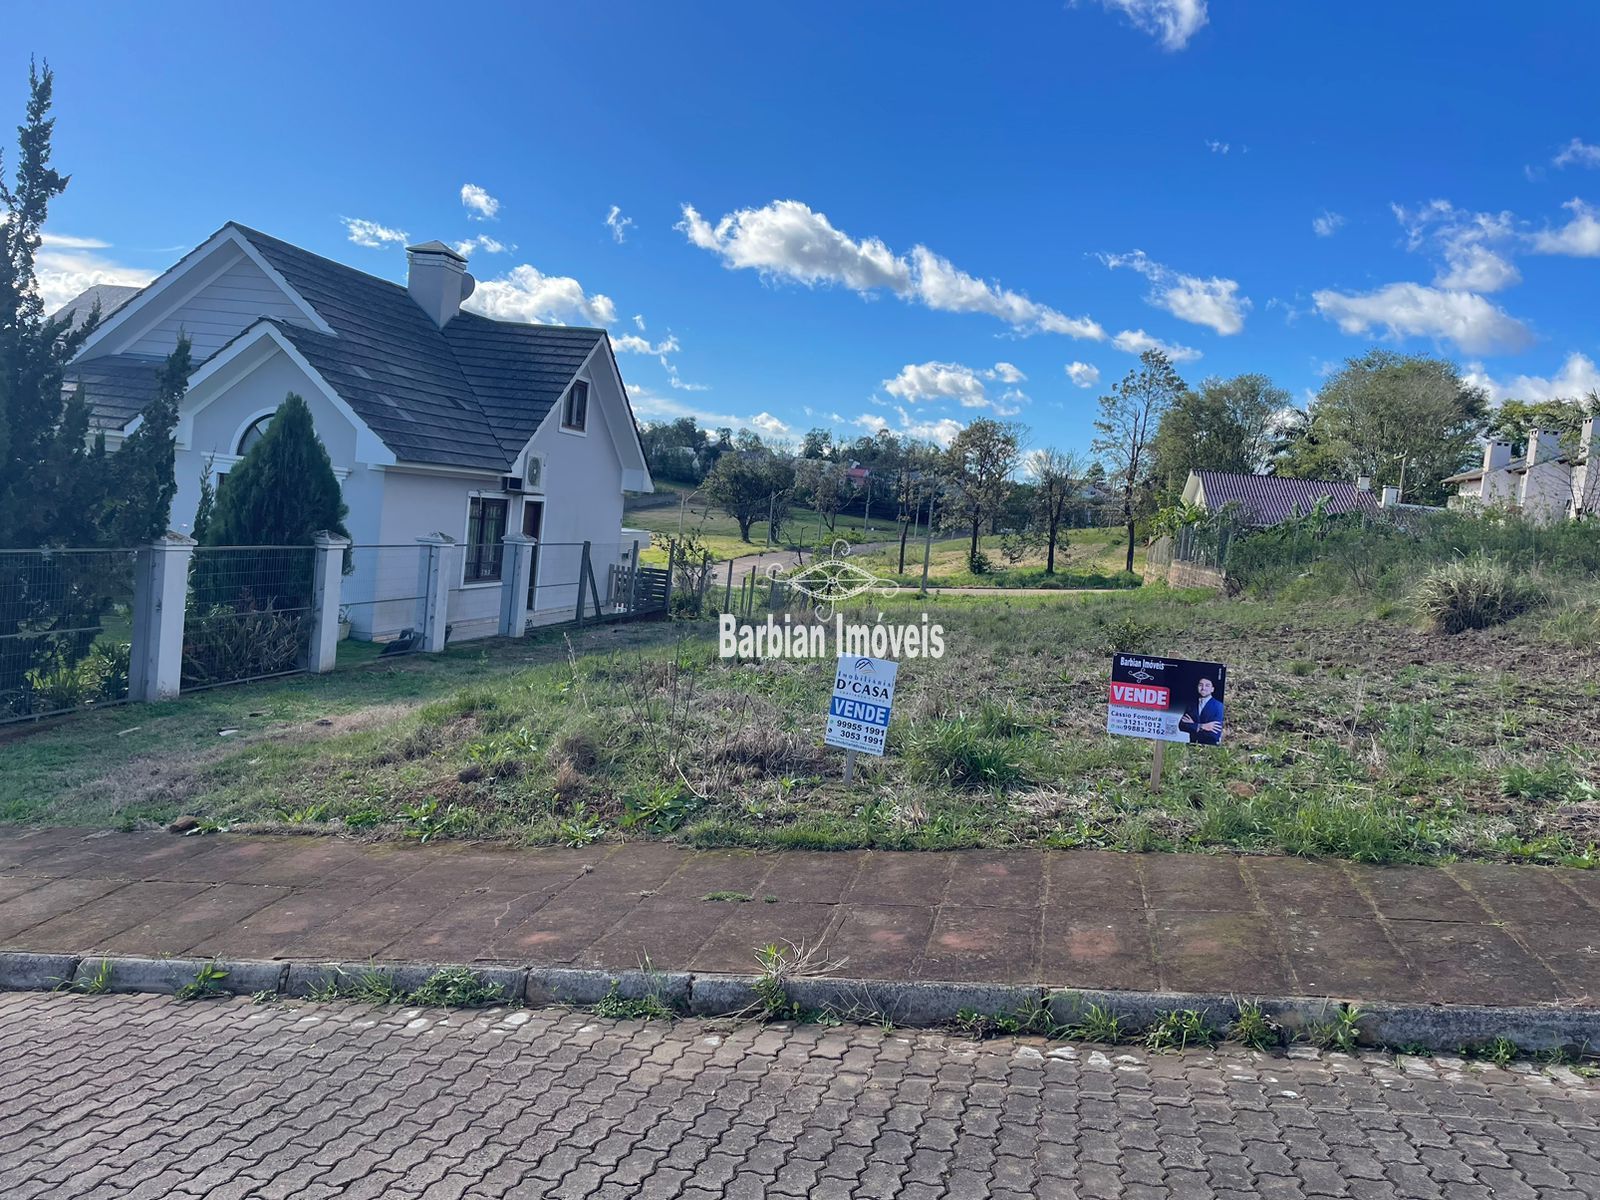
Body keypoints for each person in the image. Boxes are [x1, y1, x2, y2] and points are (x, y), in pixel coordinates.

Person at [1178, 677, 1224, 745]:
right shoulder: (1191, 705)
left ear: (1212, 689)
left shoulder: (1219, 706)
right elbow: (1182, 726)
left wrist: (1193, 725)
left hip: (1210, 747)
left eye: (1207, 685)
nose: (1203, 688)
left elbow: (1214, 735)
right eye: (1200, 685)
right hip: (1191, 745)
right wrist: (1202, 726)